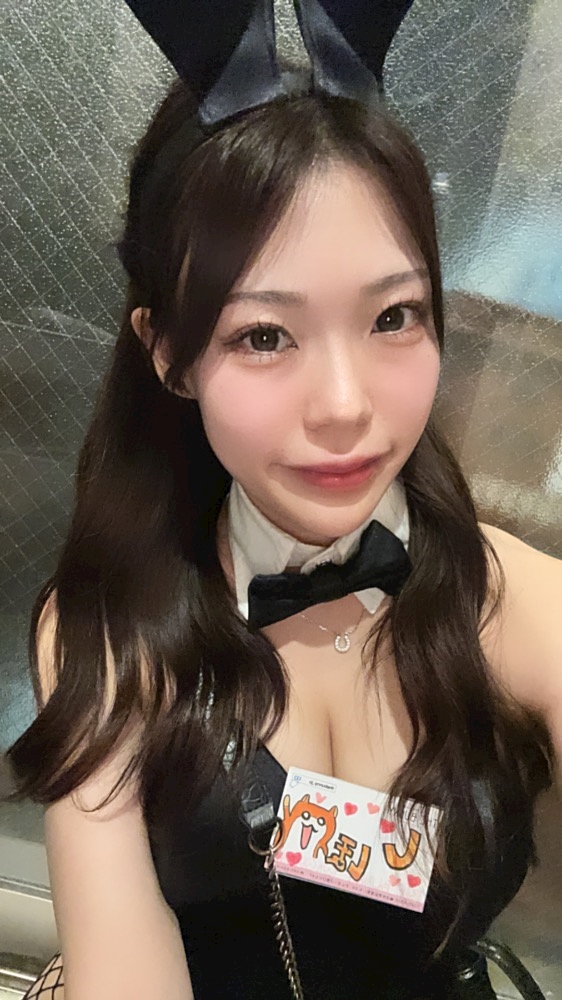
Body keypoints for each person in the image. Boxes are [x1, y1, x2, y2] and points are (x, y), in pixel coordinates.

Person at [5, 2, 562, 998]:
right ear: (169, 353)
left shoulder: (519, 608)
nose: (345, 406)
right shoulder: (111, 637)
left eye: (393, 316)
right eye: (264, 335)